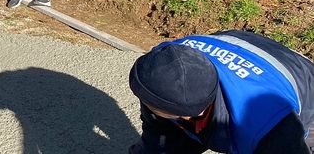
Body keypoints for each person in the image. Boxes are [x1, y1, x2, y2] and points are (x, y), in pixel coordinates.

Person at [128, 30, 314, 154]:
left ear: (191, 115)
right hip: (241, 46)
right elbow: (158, 138)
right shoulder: (162, 64)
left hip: (303, 88)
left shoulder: (269, 125)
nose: (141, 99)